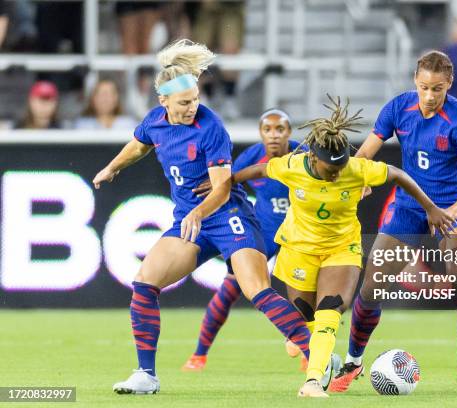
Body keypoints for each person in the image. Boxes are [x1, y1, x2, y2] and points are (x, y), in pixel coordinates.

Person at [92, 39, 311, 395]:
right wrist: (112, 167)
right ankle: (146, 375)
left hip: (229, 216)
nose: (192, 107)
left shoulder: (211, 128)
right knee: (144, 283)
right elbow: (139, 143)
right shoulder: (155, 122)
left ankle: (317, 356)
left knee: (256, 289)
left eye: (195, 99)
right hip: (190, 221)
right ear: (163, 102)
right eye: (184, 102)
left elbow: (222, 188)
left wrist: (197, 211)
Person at [227, 96, 455, 397]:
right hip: (299, 249)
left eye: (340, 168)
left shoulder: (356, 168)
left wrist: (430, 208)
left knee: (328, 316)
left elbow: (398, 175)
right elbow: (258, 171)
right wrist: (227, 184)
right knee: (303, 326)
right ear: (313, 158)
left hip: (341, 249)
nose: (336, 174)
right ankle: (320, 357)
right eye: (329, 169)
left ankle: (311, 382)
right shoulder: (293, 165)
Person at [330, 51, 457, 392]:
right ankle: (354, 361)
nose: (430, 96)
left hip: (453, 207)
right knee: (372, 285)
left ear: (449, 85)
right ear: (415, 80)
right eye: (425, 87)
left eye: (438, 89)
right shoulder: (399, 108)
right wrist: (361, 179)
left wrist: (450, 214)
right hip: (410, 207)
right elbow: (365, 154)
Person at [181, 108, 307, 372]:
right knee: (229, 291)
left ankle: (308, 351)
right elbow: (227, 188)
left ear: (289, 132)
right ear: (261, 133)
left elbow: (337, 170)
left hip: (300, 233)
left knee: (307, 291)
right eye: (267, 129)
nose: (274, 135)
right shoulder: (251, 157)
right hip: (264, 233)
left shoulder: (305, 155)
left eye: (280, 129)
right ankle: (199, 354)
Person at [73, 79, 137, 130]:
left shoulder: (128, 124)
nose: (105, 99)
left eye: (109, 94)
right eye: (101, 95)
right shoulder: (82, 125)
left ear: (116, 99)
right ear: (93, 99)